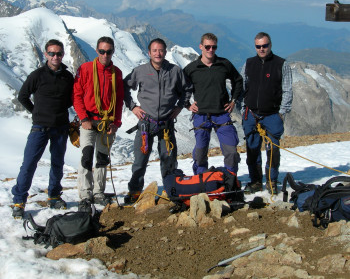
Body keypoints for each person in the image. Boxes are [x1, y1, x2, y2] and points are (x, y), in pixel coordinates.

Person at [123, 38, 191, 203]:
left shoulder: (175, 71)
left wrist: (180, 106)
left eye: (160, 50)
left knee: (168, 159)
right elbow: (124, 86)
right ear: (149, 53)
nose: (158, 53)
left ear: (165, 52)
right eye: (155, 50)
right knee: (140, 160)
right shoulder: (140, 71)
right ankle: (135, 191)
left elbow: (187, 89)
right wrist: (132, 106)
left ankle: (171, 189)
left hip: (166, 123)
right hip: (146, 123)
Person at [11, 39, 74, 219]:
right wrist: (36, 112)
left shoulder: (67, 77)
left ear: (62, 55)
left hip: (61, 127)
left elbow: (71, 98)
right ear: (46, 54)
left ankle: (54, 195)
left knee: (57, 163)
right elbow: (22, 96)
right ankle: (19, 201)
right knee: (29, 163)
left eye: (59, 53)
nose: (55, 57)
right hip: (40, 127)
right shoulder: (37, 75)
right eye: (52, 53)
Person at [73, 36, 124, 212]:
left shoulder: (116, 73)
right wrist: (83, 118)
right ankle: (85, 194)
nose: (105, 54)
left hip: (107, 122)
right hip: (89, 120)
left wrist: (116, 123)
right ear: (97, 51)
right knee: (86, 156)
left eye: (108, 51)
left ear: (113, 52)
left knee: (102, 158)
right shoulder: (85, 69)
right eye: (102, 51)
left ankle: (98, 192)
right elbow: (77, 95)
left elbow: (118, 101)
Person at [240, 32, 293, 194]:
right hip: (251, 115)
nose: (262, 49)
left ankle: (271, 181)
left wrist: (281, 113)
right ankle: (256, 181)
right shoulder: (249, 64)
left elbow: (287, 90)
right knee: (252, 148)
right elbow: (242, 87)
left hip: (272, 115)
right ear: (255, 46)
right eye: (258, 46)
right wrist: (244, 109)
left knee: (273, 151)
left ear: (270, 45)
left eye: (265, 46)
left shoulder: (281, 64)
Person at [183, 33, 243, 175]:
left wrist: (233, 100)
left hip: (222, 114)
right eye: (207, 46)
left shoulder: (224, 64)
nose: (210, 50)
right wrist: (187, 104)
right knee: (200, 153)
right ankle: (201, 180)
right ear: (201, 47)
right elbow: (180, 87)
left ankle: (230, 179)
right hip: (201, 115)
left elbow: (238, 80)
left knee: (231, 152)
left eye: (214, 47)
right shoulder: (191, 68)